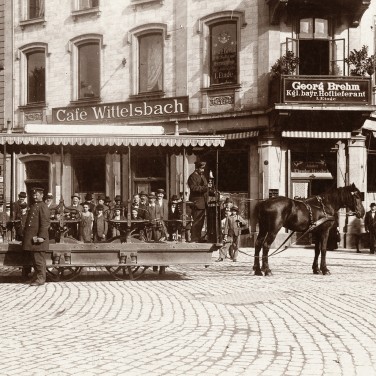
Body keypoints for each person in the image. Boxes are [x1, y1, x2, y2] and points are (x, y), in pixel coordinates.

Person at [22, 187, 50, 286]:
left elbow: (45, 223)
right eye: (33, 195)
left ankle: (41, 279)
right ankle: (35, 277)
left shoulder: (43, 206)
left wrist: (41, 237)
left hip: (38, 239)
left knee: (39, 260)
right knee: (34, 260)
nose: (34, 196)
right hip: (32, 239)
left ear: (42, 195)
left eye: (36, 195)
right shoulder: (34, 205)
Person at [188, 161, 210, 242]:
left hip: (203, 202)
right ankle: (194, 238)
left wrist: (210, 191)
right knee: (197, 221)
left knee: (201, 221)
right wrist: (205, 188)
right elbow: (193, 188)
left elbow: (206, 188)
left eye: (203, 168)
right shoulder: (192, 177)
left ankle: (198, 236)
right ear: (197, 168)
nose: (203, 170)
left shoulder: (203, 177)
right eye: (201, 168)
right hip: (196, 203)